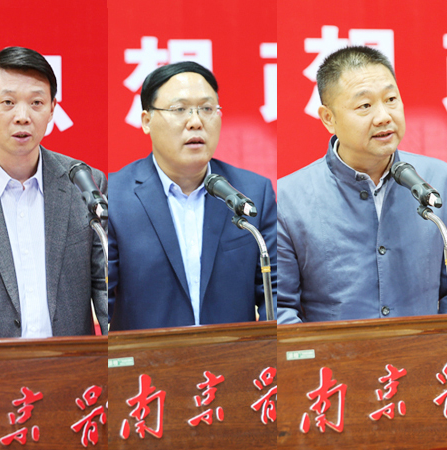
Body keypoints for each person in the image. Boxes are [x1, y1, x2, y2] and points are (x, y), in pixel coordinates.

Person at [0, 46, 108, 339]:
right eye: (8, 102)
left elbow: (105, 286)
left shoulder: (85, 183)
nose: (23, 116)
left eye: (36, 103)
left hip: (72, 363)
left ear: (52, 108)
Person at [278, 46, 447, 323]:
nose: (383, 117)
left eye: (391, 99)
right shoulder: (289, 199)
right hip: (332, 352)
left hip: (424, 351)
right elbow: (282, 308)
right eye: (365, 106)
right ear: (328, 118)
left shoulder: (439, 180)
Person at [108, 62, 277, 330]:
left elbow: (274, 291)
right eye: (180, 109)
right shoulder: (115, 196)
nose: (196, 122)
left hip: (232, 355)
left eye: (207, 109)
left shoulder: (252, 192)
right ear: (147, 121)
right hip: (146, 356)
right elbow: (101, 297)